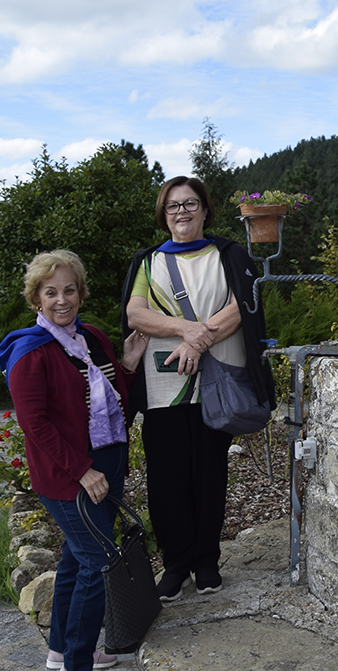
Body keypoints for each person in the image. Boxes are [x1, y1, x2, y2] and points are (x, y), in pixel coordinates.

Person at [121, 176, 274, 601]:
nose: (182, 212)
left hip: (217, 381)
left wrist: (197, 341)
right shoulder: (148, 262)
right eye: (173, 205)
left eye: (190, 203)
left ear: (205, 210)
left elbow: (242, 307)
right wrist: (187, 329)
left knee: (209, 473)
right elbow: (136, 314)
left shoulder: (229, 255)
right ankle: (175, 565)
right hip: (164, 385)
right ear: (163, 214)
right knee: (166, 478)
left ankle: (206, 562)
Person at [0, 250, 148, 671]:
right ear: (36, 299)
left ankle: (60, 651)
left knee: (75, 560)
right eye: (51, 292)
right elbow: (35, 425)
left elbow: (112, 397)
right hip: (69, 476)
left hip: (109, 463)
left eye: (69, 290)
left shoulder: (92, 337)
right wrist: (82, 470)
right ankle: (78, 662)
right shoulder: (30, 353)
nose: (61, 300)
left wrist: (128, 364)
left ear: (80, 293)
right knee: (98, 562)